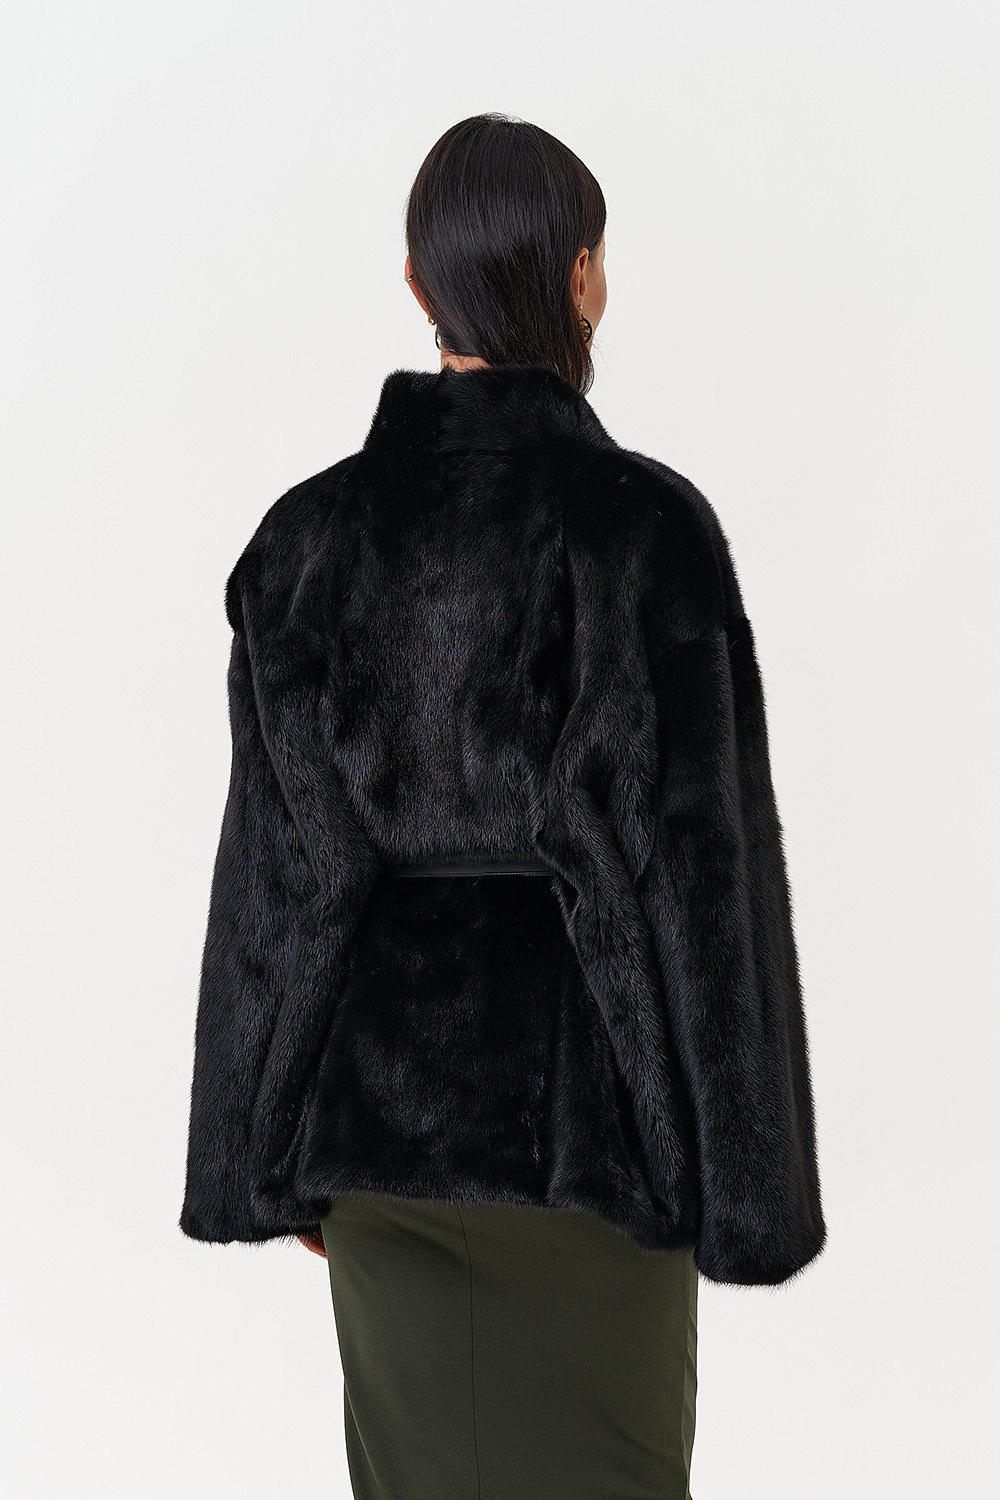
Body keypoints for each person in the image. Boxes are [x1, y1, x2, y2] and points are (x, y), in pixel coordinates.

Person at [180, 112, 826, 1500]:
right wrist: (746, 1192)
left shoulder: (305, 542)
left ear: (417, 284)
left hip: (379, 1137)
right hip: (597, 1142)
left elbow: (277, 883)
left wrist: (262, 1153)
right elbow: (705, 882)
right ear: (581, 277)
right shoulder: (642, 529)